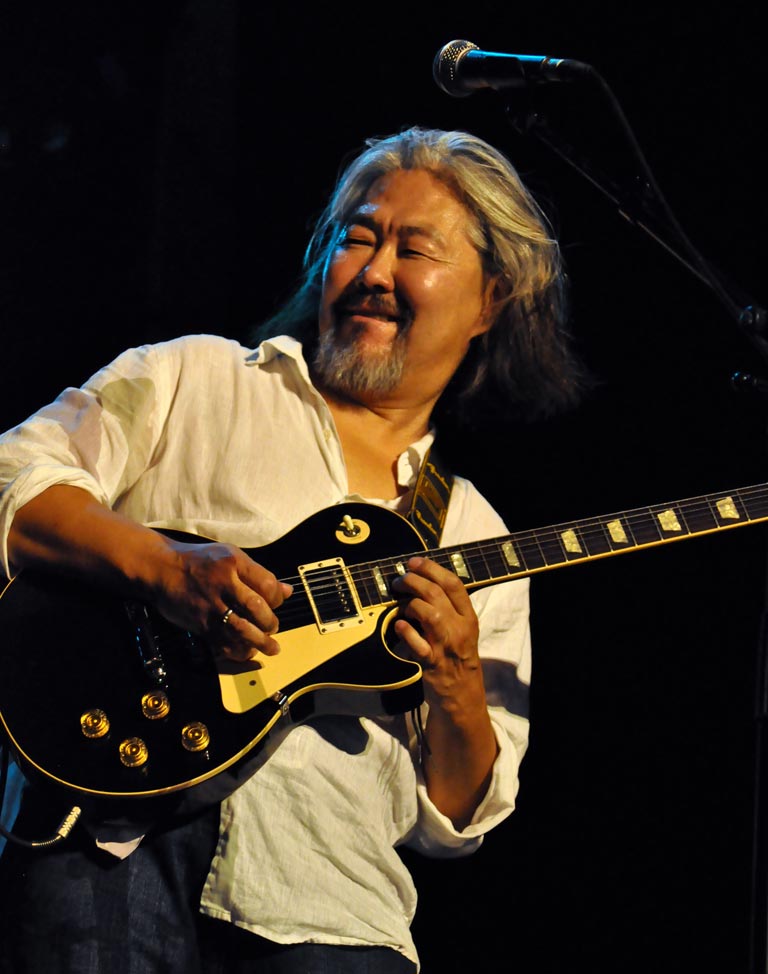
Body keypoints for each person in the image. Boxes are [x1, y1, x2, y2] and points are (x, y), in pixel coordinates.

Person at [0, 126, 583, 973]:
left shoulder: (472, 530)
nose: (374, 272)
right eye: (357, 238)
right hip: (111, 838)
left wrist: (457, 680)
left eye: (414, 250)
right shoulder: (197, 378)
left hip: (330, 908)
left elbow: (456, 818)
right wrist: (166, 571)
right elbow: (15, 479)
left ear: (491, 301)